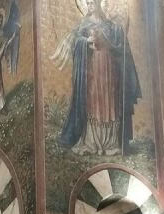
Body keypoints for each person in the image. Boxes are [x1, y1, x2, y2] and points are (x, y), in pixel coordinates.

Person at [52, 0, 141, 155]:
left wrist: (117, 35)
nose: (90, 6)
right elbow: (77, 43)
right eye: (87, 3)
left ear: (100, 4)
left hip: (110, 71)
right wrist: (86, 41)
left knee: (110, 102)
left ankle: (112, 143)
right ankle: (92, 142)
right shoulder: (85, 24)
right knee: (94, 100)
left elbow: (120, 46)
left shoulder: (111, 26)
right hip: (92, 69)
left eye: (92, 2)